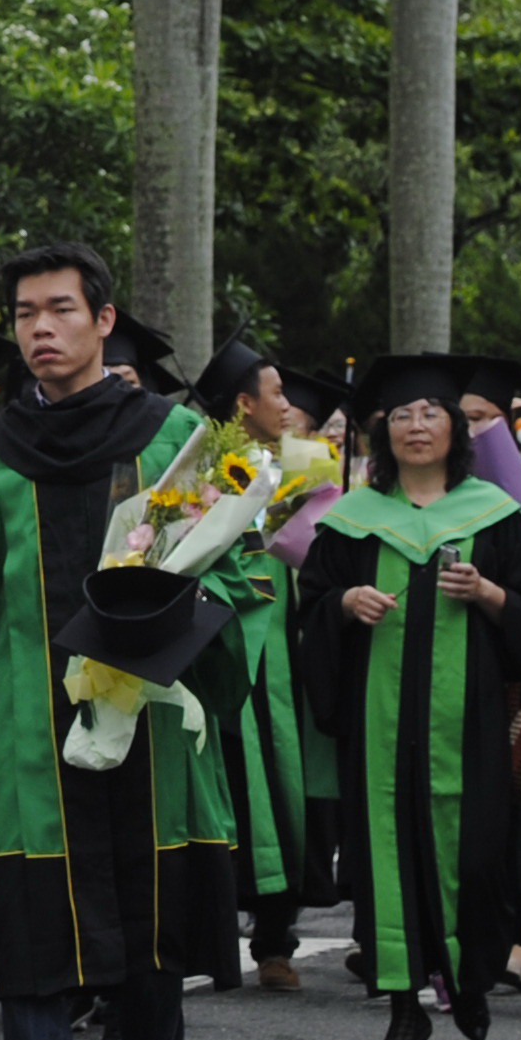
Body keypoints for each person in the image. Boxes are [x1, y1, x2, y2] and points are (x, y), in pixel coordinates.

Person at [0, 241, 229, 1040]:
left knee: (149, 922)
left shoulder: (173, 435)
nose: (41, 328)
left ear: (103, 321)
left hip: (145, 712)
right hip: (24, 718)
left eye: (59, 309)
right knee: (31, 925)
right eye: (24, 314)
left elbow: (237, 568)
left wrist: (175, 626)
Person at [296, 355, 521, 1040]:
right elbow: (311, 609)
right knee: (388, 854)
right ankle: (406, 1007)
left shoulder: (495, 517)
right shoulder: (351, 523)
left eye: (430, 412)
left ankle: (468, 980)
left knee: (475, 852)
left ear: (455, 428)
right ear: (384, 431)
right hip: (380, 727)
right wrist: (343, 605)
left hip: (469, 728)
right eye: (402, 414)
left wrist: (492, 597)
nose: (415, 426)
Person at [184, 334, 319, 993]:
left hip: (282, 655)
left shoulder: (304, 472)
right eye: (276, 393)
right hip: (222, 644)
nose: (288, 405)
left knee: (282, 786)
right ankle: (210, 937)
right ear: (243, 404)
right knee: (223, 786)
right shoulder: (207, 471)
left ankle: (275, 938)